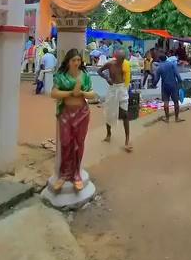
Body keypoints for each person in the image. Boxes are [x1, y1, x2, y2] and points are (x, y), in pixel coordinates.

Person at [51, 49, 95, 192]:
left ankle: (76, 174)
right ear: (68, 62)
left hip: (82, 114)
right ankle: (64, 174)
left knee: (78, 143)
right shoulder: (61, 76)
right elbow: (54, 93)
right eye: (73, 60)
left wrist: (82, 93)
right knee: (65, 143)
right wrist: (70, 93)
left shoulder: (85, 76)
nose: (76, 63)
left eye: (78, 60)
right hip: (65, 114)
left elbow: (92, 94)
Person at [98, 50, 132, 150]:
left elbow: (129, 76)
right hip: (112, 89)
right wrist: (107, 78)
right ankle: (108, 134)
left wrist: (127, 85)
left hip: (122, 89)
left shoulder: (126, 65)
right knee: (109, 112)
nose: (122, 62)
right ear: (116, 58)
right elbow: (99, 71)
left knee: (125, 114)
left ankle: (127, 140)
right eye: (120, 59)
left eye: (123, 59)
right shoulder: (110, 64)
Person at [153, 54, 183, 123]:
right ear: (166, 59)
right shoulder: (172, 64)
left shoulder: (159, 68)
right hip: (173, 85)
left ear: (160, 60)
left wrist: (153, 84)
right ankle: (177, 118)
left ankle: (167, 119)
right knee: (176, 102)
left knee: (166, 102)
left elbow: (156, 79)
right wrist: (180, 82)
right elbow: (177, 74)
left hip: (165, 86)